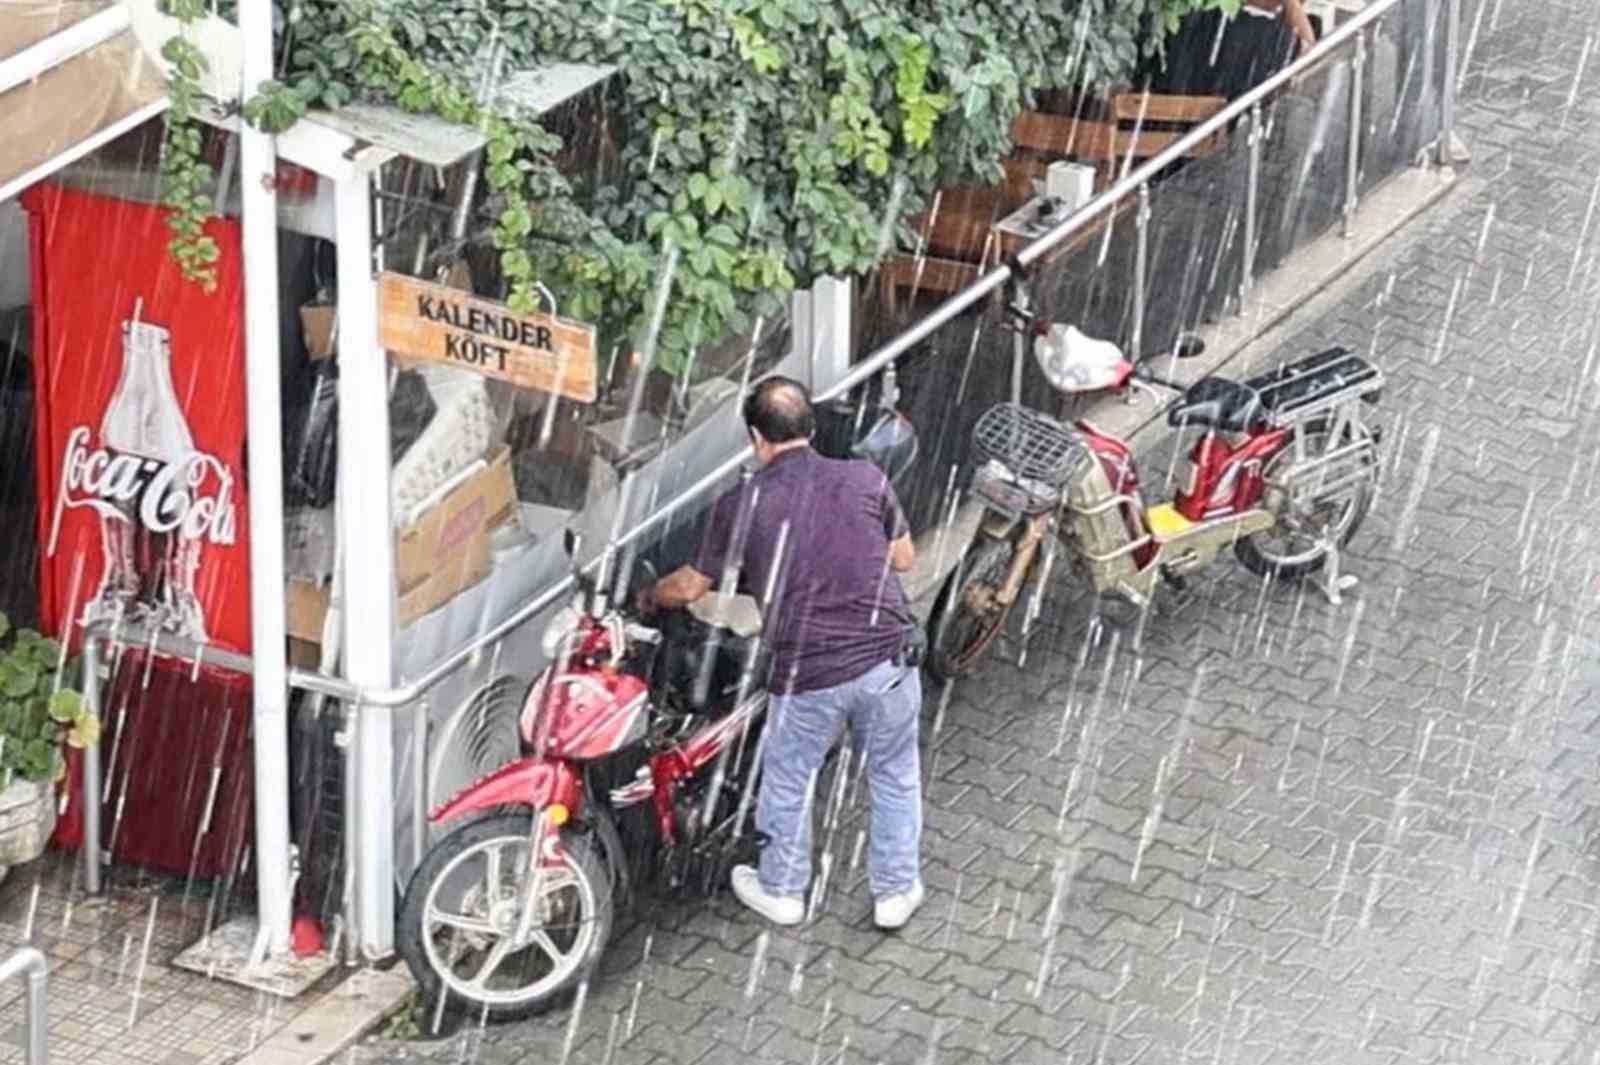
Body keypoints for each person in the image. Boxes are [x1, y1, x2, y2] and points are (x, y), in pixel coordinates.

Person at [641, 376, 926, 930]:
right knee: (893, 774)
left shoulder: (744, 502)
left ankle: (784, 889)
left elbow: (692, 587)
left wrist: (649, 594)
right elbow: (905, 559)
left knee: (788, 776)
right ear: (811, 428)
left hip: (808, 672)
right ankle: (894, 893)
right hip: (886, 659)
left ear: (756, 438)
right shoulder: (865, 477)